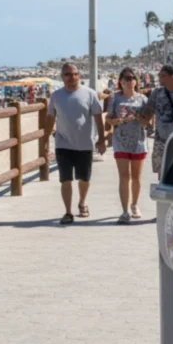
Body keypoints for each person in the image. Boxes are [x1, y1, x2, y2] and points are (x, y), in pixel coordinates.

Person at [46, 63, 107, 225]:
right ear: (62, 77)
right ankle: (67, 212)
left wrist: (101, 140)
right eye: (67, 74)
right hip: (63, 144)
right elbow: (50, 117)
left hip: (85, 143)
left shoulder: (90, 94)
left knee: (84, 178)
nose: (71, 78)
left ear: (79, 76)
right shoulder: (56, 96)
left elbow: (98, 119)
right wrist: (45, 139)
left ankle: (82, 202)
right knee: (65, 179)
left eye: (74, 74)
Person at [106, 68, 151, 224]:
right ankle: (125, 210)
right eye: (126, 78)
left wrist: (138, 117)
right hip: (121, 140)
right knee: (124, 176)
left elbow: (148, 122)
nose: (130, 81)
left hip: (138, 140)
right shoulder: (115, 98)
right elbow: (108, 119)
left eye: (133, 78)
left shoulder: (143, 99)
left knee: (136, 177)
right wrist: (119, 121)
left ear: (136, 81)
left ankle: (134, 205)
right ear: (121, 81)